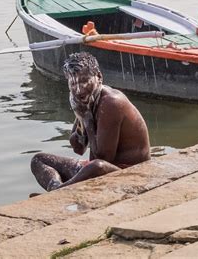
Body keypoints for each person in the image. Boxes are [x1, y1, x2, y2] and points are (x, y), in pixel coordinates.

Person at [31, 52, 150, 191]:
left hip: (129, 172)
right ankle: (56, 187)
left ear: (99, 77)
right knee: (39, 160)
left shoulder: (112, 103)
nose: (79, 89)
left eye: (84, 81)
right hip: (102, 167)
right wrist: (80, 116)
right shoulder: (85, 99)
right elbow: (78, 149)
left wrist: (87, 117)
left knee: (96, 166)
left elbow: (102, 158)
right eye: (73, 83)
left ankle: (61, 190)